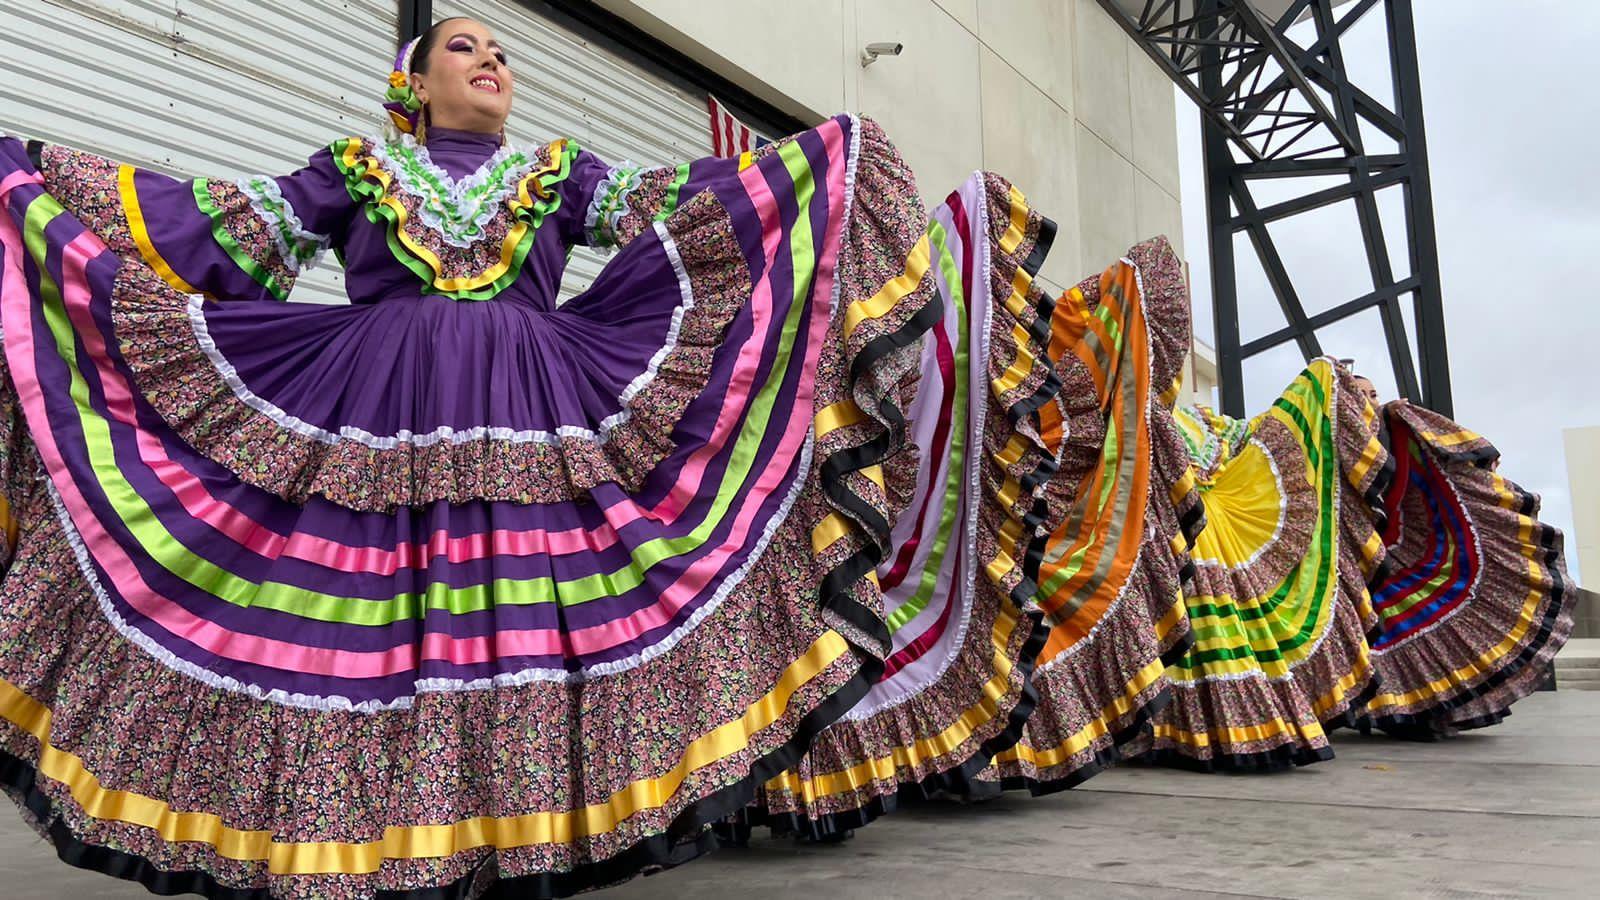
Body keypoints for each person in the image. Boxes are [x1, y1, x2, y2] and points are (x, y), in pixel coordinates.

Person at [0, 16, 952, 897]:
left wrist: (819, 164)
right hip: (374, 417)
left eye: (500, 50)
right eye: (462, 48)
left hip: (532, 420)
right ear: (411, 83)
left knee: (517, 622)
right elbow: (220, 225)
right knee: (367, 622)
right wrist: (45, 188)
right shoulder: (357, 167)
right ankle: (361, 842)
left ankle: (504, 838)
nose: (491, 60)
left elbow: (675, 206)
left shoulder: (556, 172)